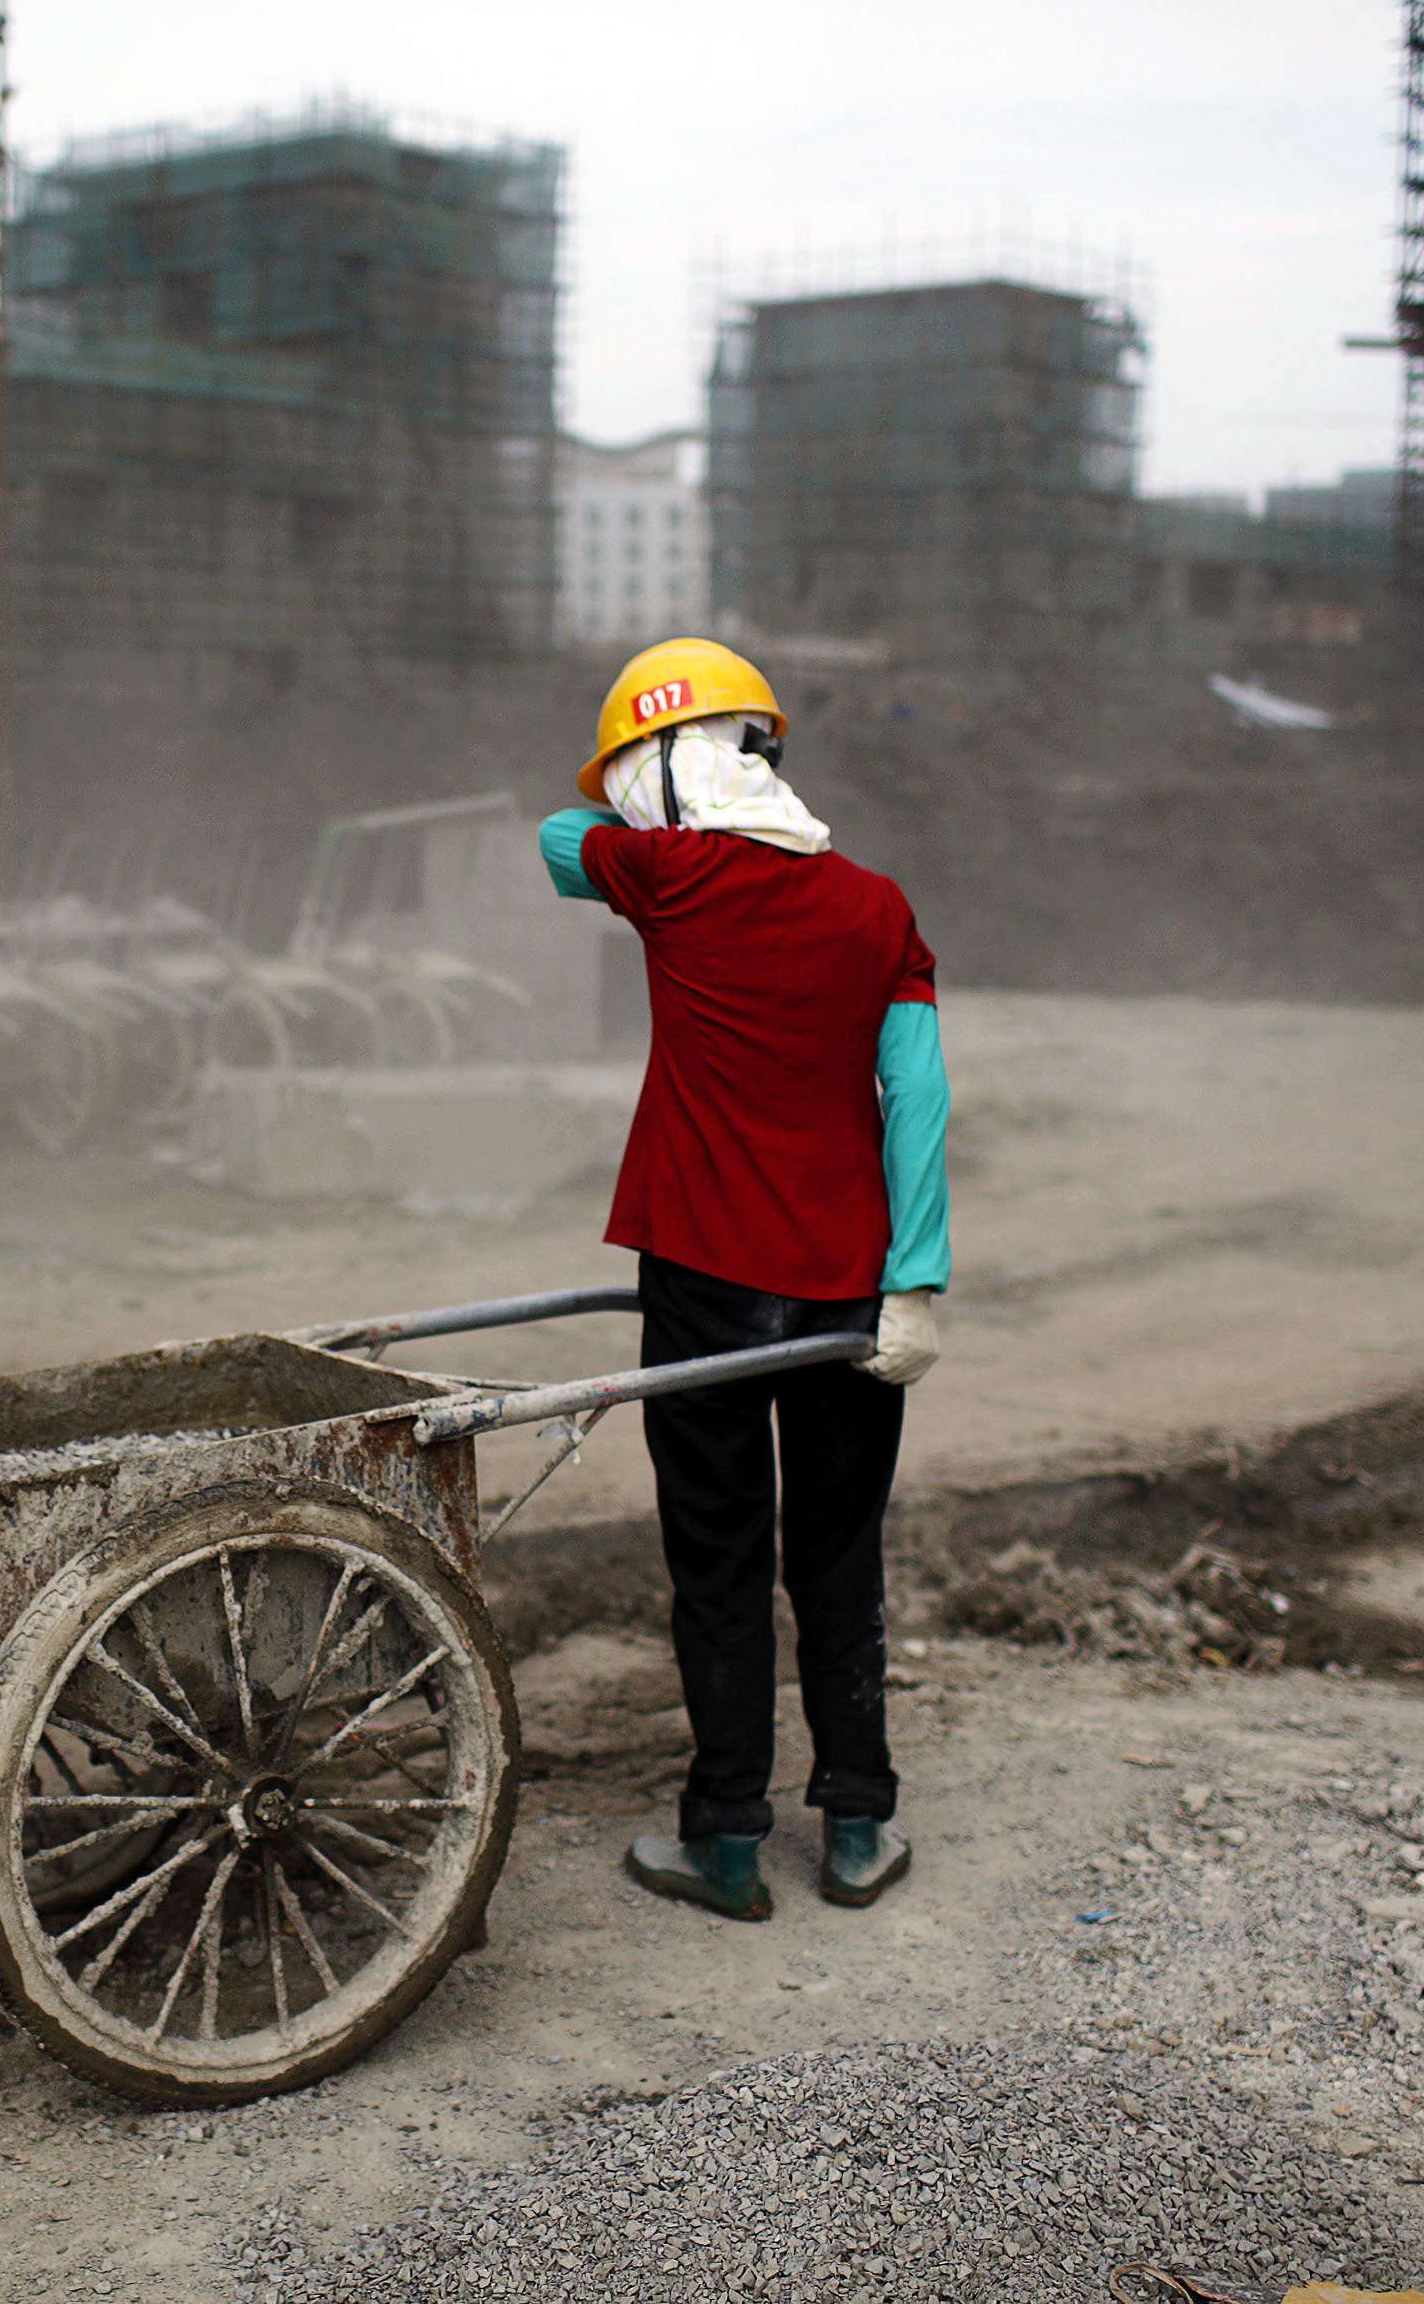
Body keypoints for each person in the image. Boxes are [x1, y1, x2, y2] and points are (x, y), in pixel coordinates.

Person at [539, 636, 949, 1923]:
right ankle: (858, 1830)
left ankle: (722, 1843)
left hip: (706, 1273)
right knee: (836, 1554)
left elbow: (560, 835)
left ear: (663, 770)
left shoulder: (664, 873)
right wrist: (917, 1279)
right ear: (764, 753)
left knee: (715, 1559)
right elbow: (917, 1100)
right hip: (846, 1286)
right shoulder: (876, 907)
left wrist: (650, 795)